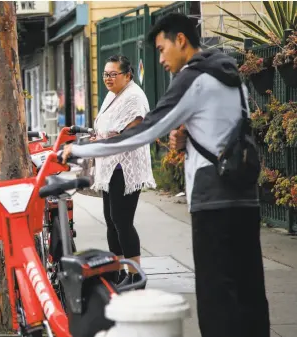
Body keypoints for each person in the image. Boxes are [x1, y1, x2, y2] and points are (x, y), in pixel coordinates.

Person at [62, 13, 269, 337]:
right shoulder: (230, 75)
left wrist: (78, 151)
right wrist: (187, 137)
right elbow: (229, 132)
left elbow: (143, 132)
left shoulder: (192, 77)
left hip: (212, 199)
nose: (160, 59)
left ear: (181, 40)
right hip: (245, 196)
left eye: (162, 49)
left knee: (216, 296)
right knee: (249, 289)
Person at [93, 55, 156, 286]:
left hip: (126, 167)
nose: (108, 79)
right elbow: (106, 126)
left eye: (113, 74)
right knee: (111, 220)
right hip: (111, 165)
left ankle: (135, 274)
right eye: (105, 74)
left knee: (122, 220)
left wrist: (111, 137)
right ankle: (119, 270)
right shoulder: (113, 94)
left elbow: (133, 130)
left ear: (127, 75)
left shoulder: (134, 97)